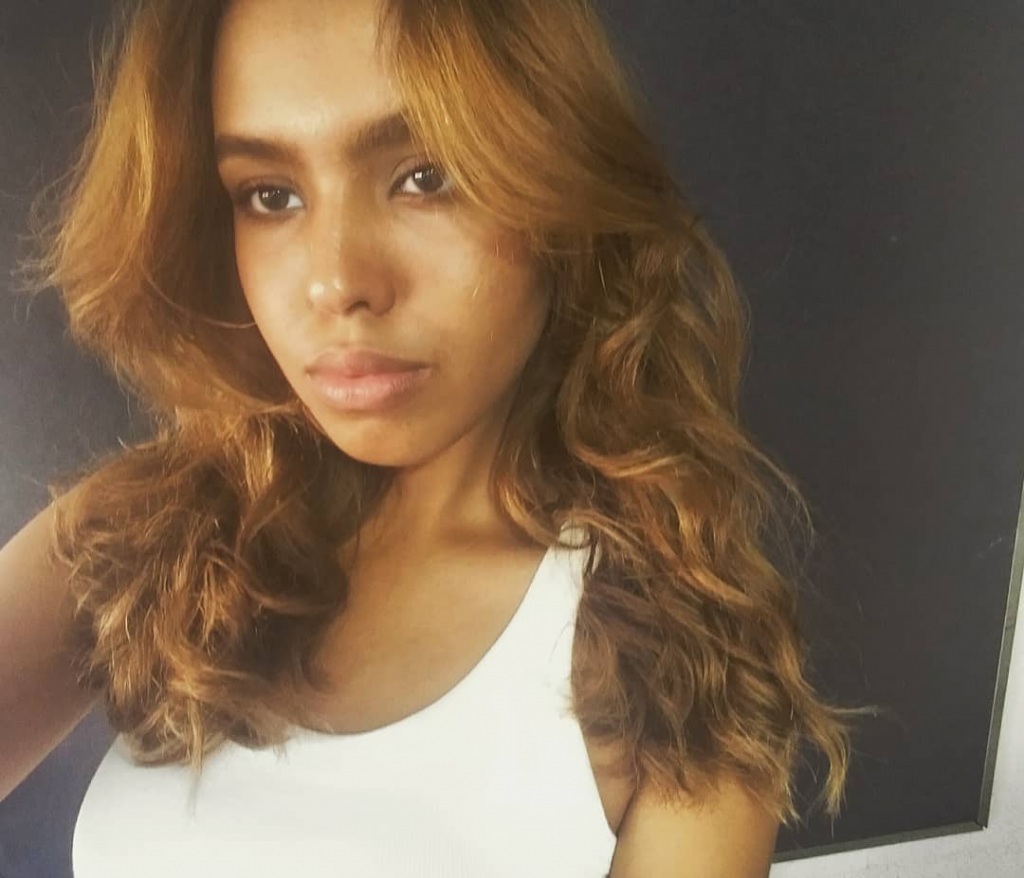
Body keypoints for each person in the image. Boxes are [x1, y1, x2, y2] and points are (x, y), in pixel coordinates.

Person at [0, 0, 863, 874]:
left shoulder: (675, 657)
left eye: (426, 176)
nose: (337, 281)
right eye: (270, 195)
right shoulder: (143, 532)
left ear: (559, 184)